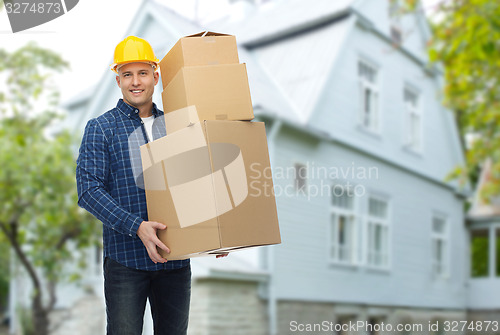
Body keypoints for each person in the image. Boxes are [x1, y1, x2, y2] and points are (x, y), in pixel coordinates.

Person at [76, 36, 225, 335]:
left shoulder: (176, 126)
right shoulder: (101, 128)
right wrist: (137, 226)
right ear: (117, 79)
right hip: (126, 262)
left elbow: (194, 184)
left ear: (155, 76)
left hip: (174, 262)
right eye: (127, 74)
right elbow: (88, 190)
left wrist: (215, 233)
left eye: (142, 73)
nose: (135, 82)